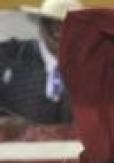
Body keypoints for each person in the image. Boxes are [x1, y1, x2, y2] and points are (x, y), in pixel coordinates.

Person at [0, 0, 80, 128]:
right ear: (40, 26)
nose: (58, 32)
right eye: (51, 24)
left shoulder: (100, 67)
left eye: (68, 25)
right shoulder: (8, 57)